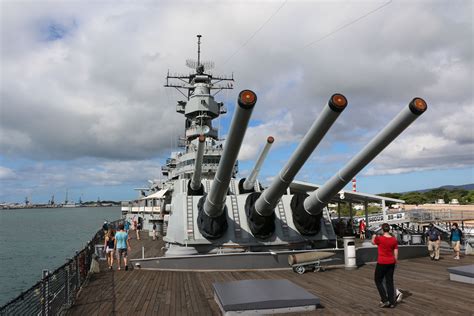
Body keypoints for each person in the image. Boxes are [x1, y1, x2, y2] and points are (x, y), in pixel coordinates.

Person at [372, 223, 400, 308]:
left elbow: (373, 242)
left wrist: (373, 236)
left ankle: (384, 300)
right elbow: (396, 251)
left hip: (382, 262)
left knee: (378, 280)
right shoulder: (393, 239)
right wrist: (395, 261)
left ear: (382, 230)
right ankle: (392, 302)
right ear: (389, 229)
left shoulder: (379, 239)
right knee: (389, 282)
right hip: (391, 262)